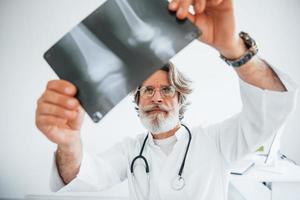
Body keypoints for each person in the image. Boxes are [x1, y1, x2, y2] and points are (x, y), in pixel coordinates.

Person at [35, 0, 298, 199]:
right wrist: (68, 142)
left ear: (181, 99)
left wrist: (233, 48)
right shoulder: (130, 151)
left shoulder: (217, 141)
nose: (157, 97)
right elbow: (79, 178)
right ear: (137, 103)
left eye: (167, 90)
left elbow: (271, 108)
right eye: (148, 91)